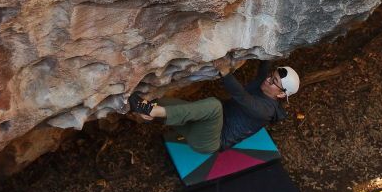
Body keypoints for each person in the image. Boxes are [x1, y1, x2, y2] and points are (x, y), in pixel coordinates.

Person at [128, 61, 300, 153]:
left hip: (209, 141)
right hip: (202, 126)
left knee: (214, 105)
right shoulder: (264, 84)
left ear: (280, 94)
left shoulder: (266, 111)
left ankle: (151, 110)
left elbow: (241, 96)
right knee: (162, 103)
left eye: (274, 81)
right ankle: (150, 111)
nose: (268, 79)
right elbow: (265, 64)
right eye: (271, 76)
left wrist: (224, 71)